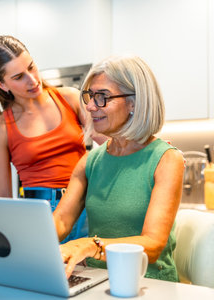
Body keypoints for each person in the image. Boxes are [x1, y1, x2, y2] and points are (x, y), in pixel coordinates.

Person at [53, 55, 184, 281]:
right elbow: (62, 221)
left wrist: (91, 246)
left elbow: (152, 245)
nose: (90, 106)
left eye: (102, 97)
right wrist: (23, 241)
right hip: (97, 280)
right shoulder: (89, 161)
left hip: (148, 284)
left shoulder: (166, 159)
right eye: (90, 96)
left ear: (134, 102)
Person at [0, 35, 105, 242]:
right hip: (39, 214)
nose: (32, 80)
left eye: (31, 67)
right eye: (18, 77)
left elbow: (111, 142)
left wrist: (149, 150)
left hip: (87, 203)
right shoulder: (0, 129)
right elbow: (2, 195)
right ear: (1, 84)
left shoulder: (69, 98)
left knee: (93, 272)